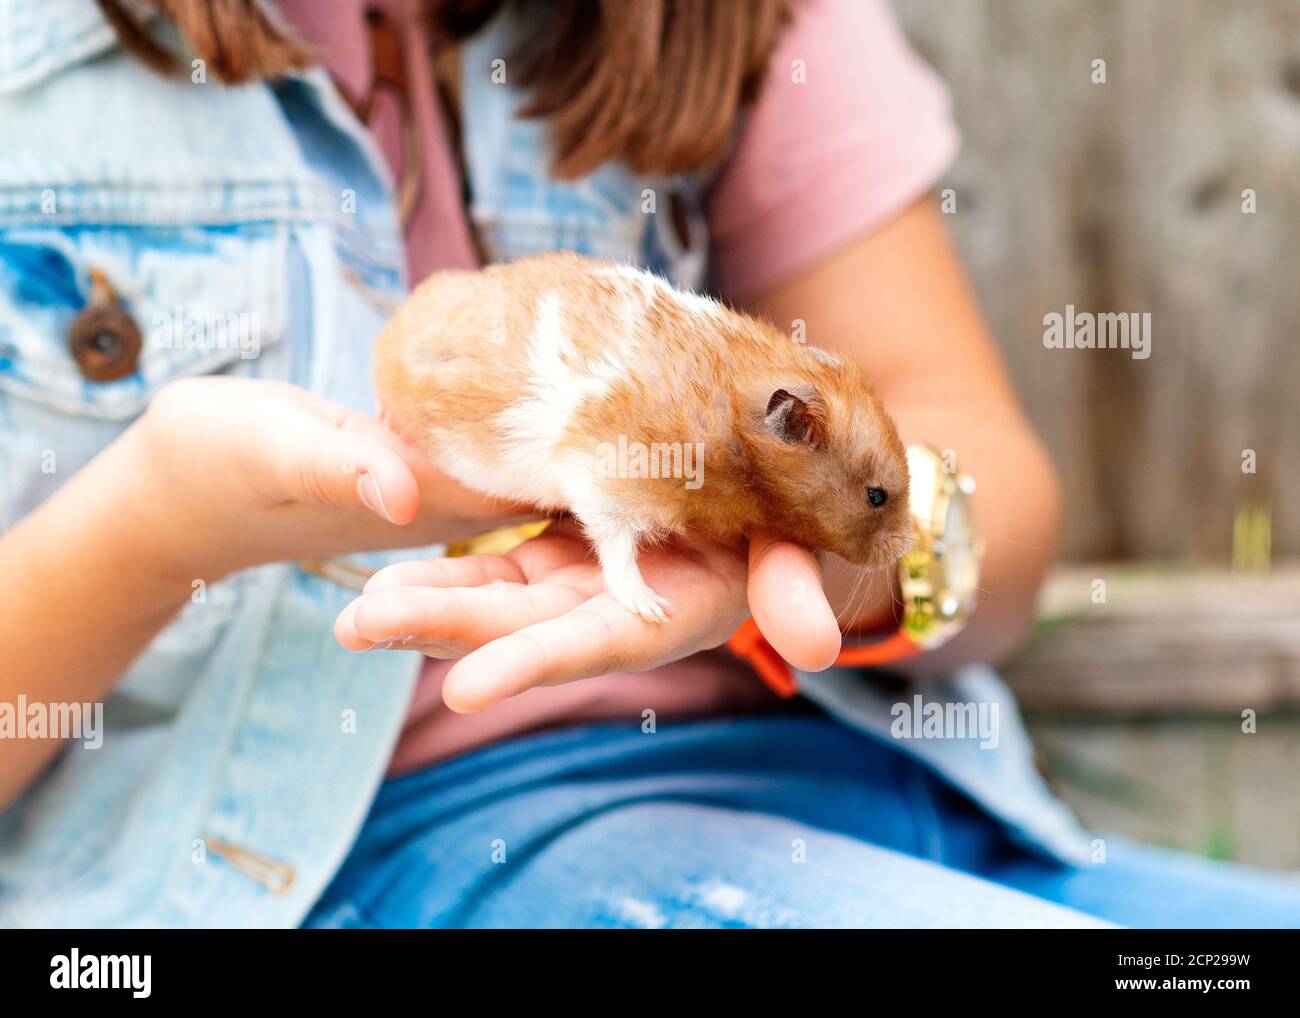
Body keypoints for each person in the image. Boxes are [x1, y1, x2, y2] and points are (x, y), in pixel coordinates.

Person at [0, 0, 1294, 928]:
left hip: (893, 784)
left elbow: (989, 494)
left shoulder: (729, 22)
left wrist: (855, 573)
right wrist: (156, 528)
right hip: (396, 846)